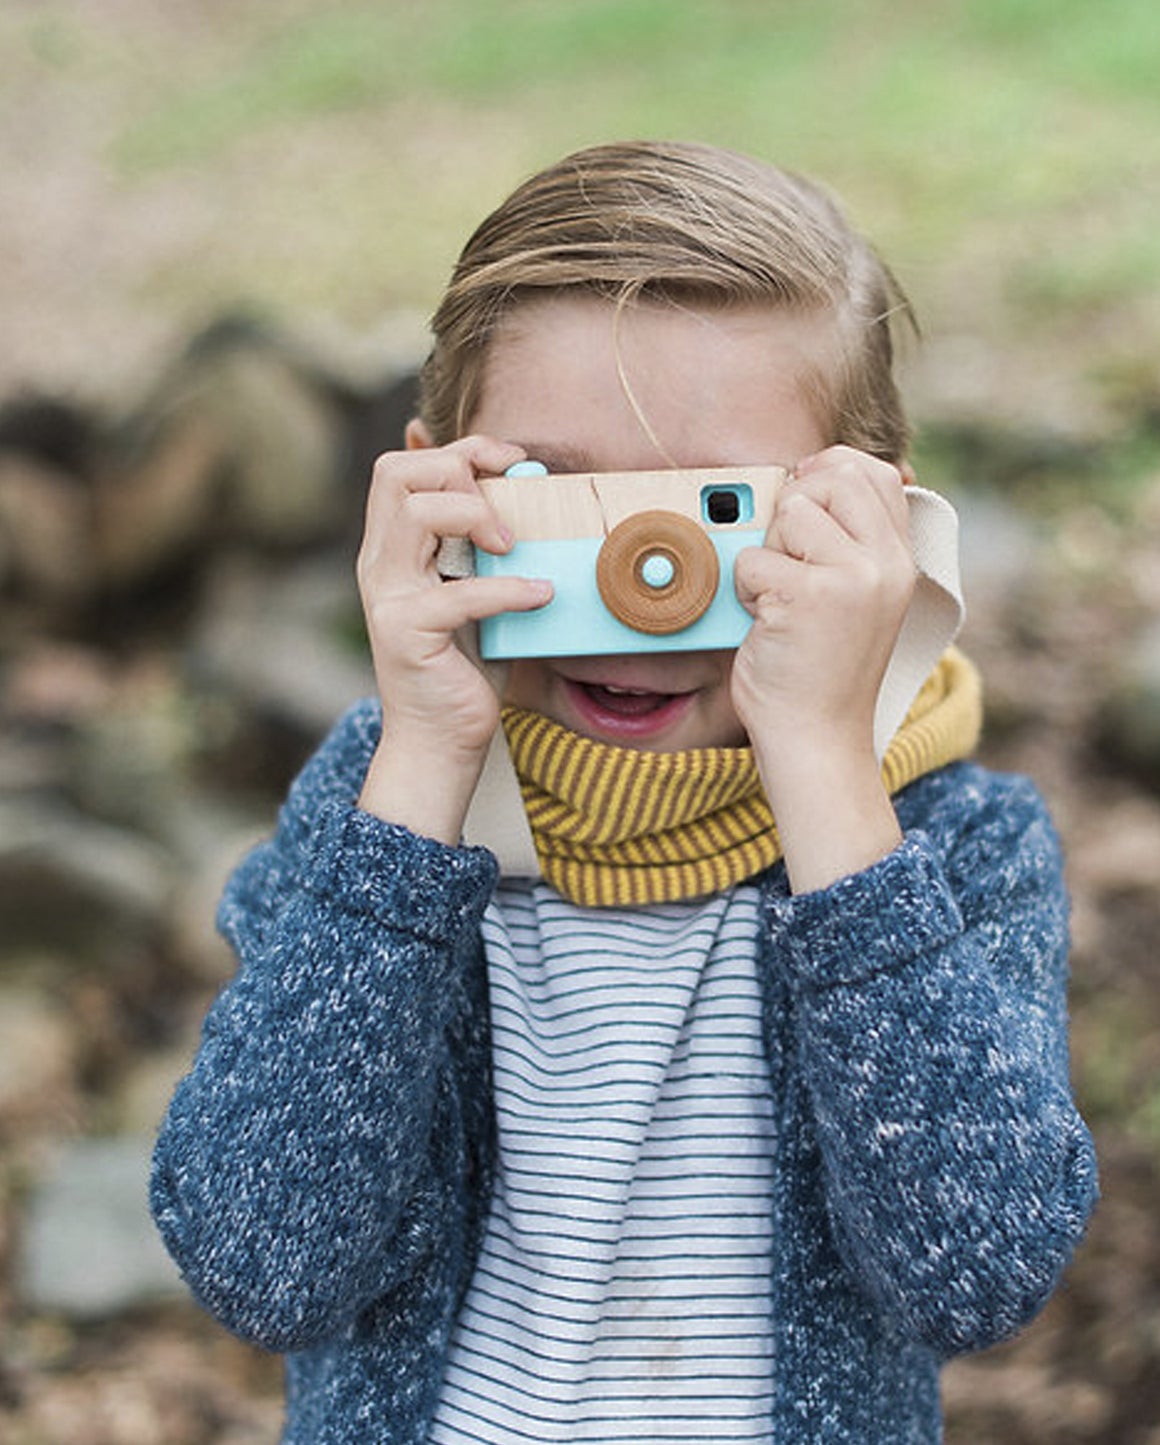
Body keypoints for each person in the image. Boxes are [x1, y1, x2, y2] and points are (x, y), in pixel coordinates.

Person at [151, 140, 1097, 1445]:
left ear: (866, 521)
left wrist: (820, 763)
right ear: (431, 488)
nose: (638, 592)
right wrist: (424, 761)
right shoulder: (380, 823)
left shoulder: (944, 846)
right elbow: (260, 1264)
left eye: (719, 513)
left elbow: (973, 1276)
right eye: (549, 493)